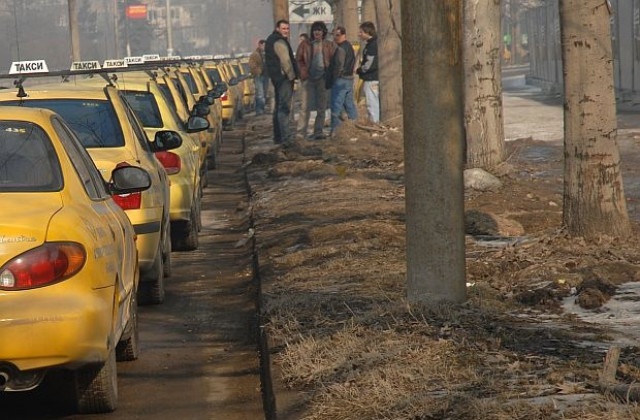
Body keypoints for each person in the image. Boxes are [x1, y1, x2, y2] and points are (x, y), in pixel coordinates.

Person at [296, 20, 335, 140]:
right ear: (312, 32)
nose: (317, 32)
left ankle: (318, 131)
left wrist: (330, 75)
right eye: (315, 30)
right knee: (304, 107)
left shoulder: (329, 45)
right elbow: (299, 59)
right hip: (308, 79)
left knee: (321, 107)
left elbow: (333, 61)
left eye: (319, 30)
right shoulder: (305, 44)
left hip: (322, 79)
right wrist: (303, 72)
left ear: (324, 32)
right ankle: (301, 132)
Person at [265, 19, 299, 147]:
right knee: (284, 108)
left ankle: (278, 137)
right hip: (283, 78)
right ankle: (285, 138)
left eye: (287, 29)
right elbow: (286, 62)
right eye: (284, 29)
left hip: (277, 78)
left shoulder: (271, 40)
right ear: (278, 29)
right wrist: (292, 77)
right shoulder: (279, 41)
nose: (286, 31)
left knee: (279, 107)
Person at [327, 26, 357, 136]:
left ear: (344, 35)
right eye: (334, 35)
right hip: (349, 79)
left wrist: (334, 78)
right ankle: (354, 125)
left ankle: (336, 130)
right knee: (349, 104)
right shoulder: (349, 46)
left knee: (336, 105)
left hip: (341, 79)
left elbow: (339, 65)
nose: (335, 37)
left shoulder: (341, 49)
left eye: (338, 35)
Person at [356, 21, 379, 124]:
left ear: (367, 32)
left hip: (371, 78)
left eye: (361, 32)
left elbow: (369, 63)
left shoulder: (372, 46)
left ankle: (374, 123)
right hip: (370, 77)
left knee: (371, 102)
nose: (359, 34)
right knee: (371, 101)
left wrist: (360, 70)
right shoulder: (371, 44)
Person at [249, 39, 269, 115]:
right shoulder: (255, 54)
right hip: (258, 76)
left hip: (266, 75)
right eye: (263, 45)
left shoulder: (267, 54)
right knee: (260, 94)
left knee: (264, 93)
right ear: (260, 45)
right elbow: (252, 64)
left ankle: (262, 109)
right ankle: (259, 110)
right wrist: (258, 71)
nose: (264, 47)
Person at [295, 33, 310, 135]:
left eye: (301, 40)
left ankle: (302, 128)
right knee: (304, 105)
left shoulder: (307, 50)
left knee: (304, 105)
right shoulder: (300, 51)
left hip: (307, 79)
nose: (299, 42)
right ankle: (302, 128)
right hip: (303, 78)